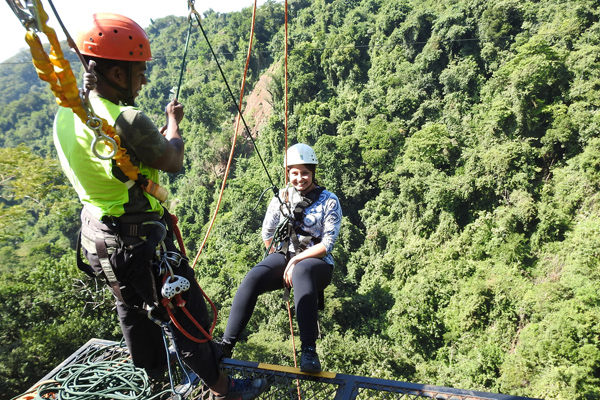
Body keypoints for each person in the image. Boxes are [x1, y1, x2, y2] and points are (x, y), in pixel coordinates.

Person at [53, 13, 267, 400]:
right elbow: (173, 159)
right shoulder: (127, 119)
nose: (144, 80)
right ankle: (222, 390)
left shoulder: (66, 115)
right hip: (138, 243)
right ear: (118, 75)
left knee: (133, 312)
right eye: (139, 73)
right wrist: (173, 122)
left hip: (97, 238)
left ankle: (155, 379)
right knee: (186, 315)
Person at [219, 143, 343, 372]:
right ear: (288, 173)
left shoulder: (329, 200)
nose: (300, 178)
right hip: (286, 255)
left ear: (313, 172)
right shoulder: (282, 197)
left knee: (302, 271)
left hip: (317, 264)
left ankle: (309, 352)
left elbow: (327, 244)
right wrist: (276, 256)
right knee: (255, 276)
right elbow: (267, 231)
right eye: (294, 173)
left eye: (305, 172)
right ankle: (226, 344)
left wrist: (295, 261)